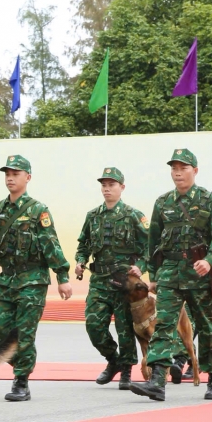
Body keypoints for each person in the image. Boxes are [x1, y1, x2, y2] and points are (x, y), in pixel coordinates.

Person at [0, 155, 71, 402]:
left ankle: (21, 380)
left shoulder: (38, 210)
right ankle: (24, 363)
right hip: (7, 279)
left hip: (32, 280)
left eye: (15, 173)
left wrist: (62, 275)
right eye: (7, 174)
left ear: (28, 177)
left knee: (24, 333)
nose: (10, 178)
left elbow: (50, 244)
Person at [130, 149, 212, 402]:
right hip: (170, 274)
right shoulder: (162, 202)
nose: (177, 172)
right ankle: (157, 381)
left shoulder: (209, 200)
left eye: (183, 167)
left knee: (206, 326)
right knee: (163, 325)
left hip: (200, 274)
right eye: (174, 167)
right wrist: (153, 274)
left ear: (194, 171)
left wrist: (209, 260)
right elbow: (153, 240)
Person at [73, 166, 149, 390]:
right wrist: (80, 261)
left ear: (122, 187)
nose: (107, 189)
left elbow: (149, 246)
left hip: (124, 282)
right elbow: (83, 244)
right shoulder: (93, 216)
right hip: (99, 279)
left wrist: (140, 266)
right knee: (94, 325)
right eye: (104, 185)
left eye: (112, 185)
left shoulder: (134, 216)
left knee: (125, 327)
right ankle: (113, 359)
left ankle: (126, 370)